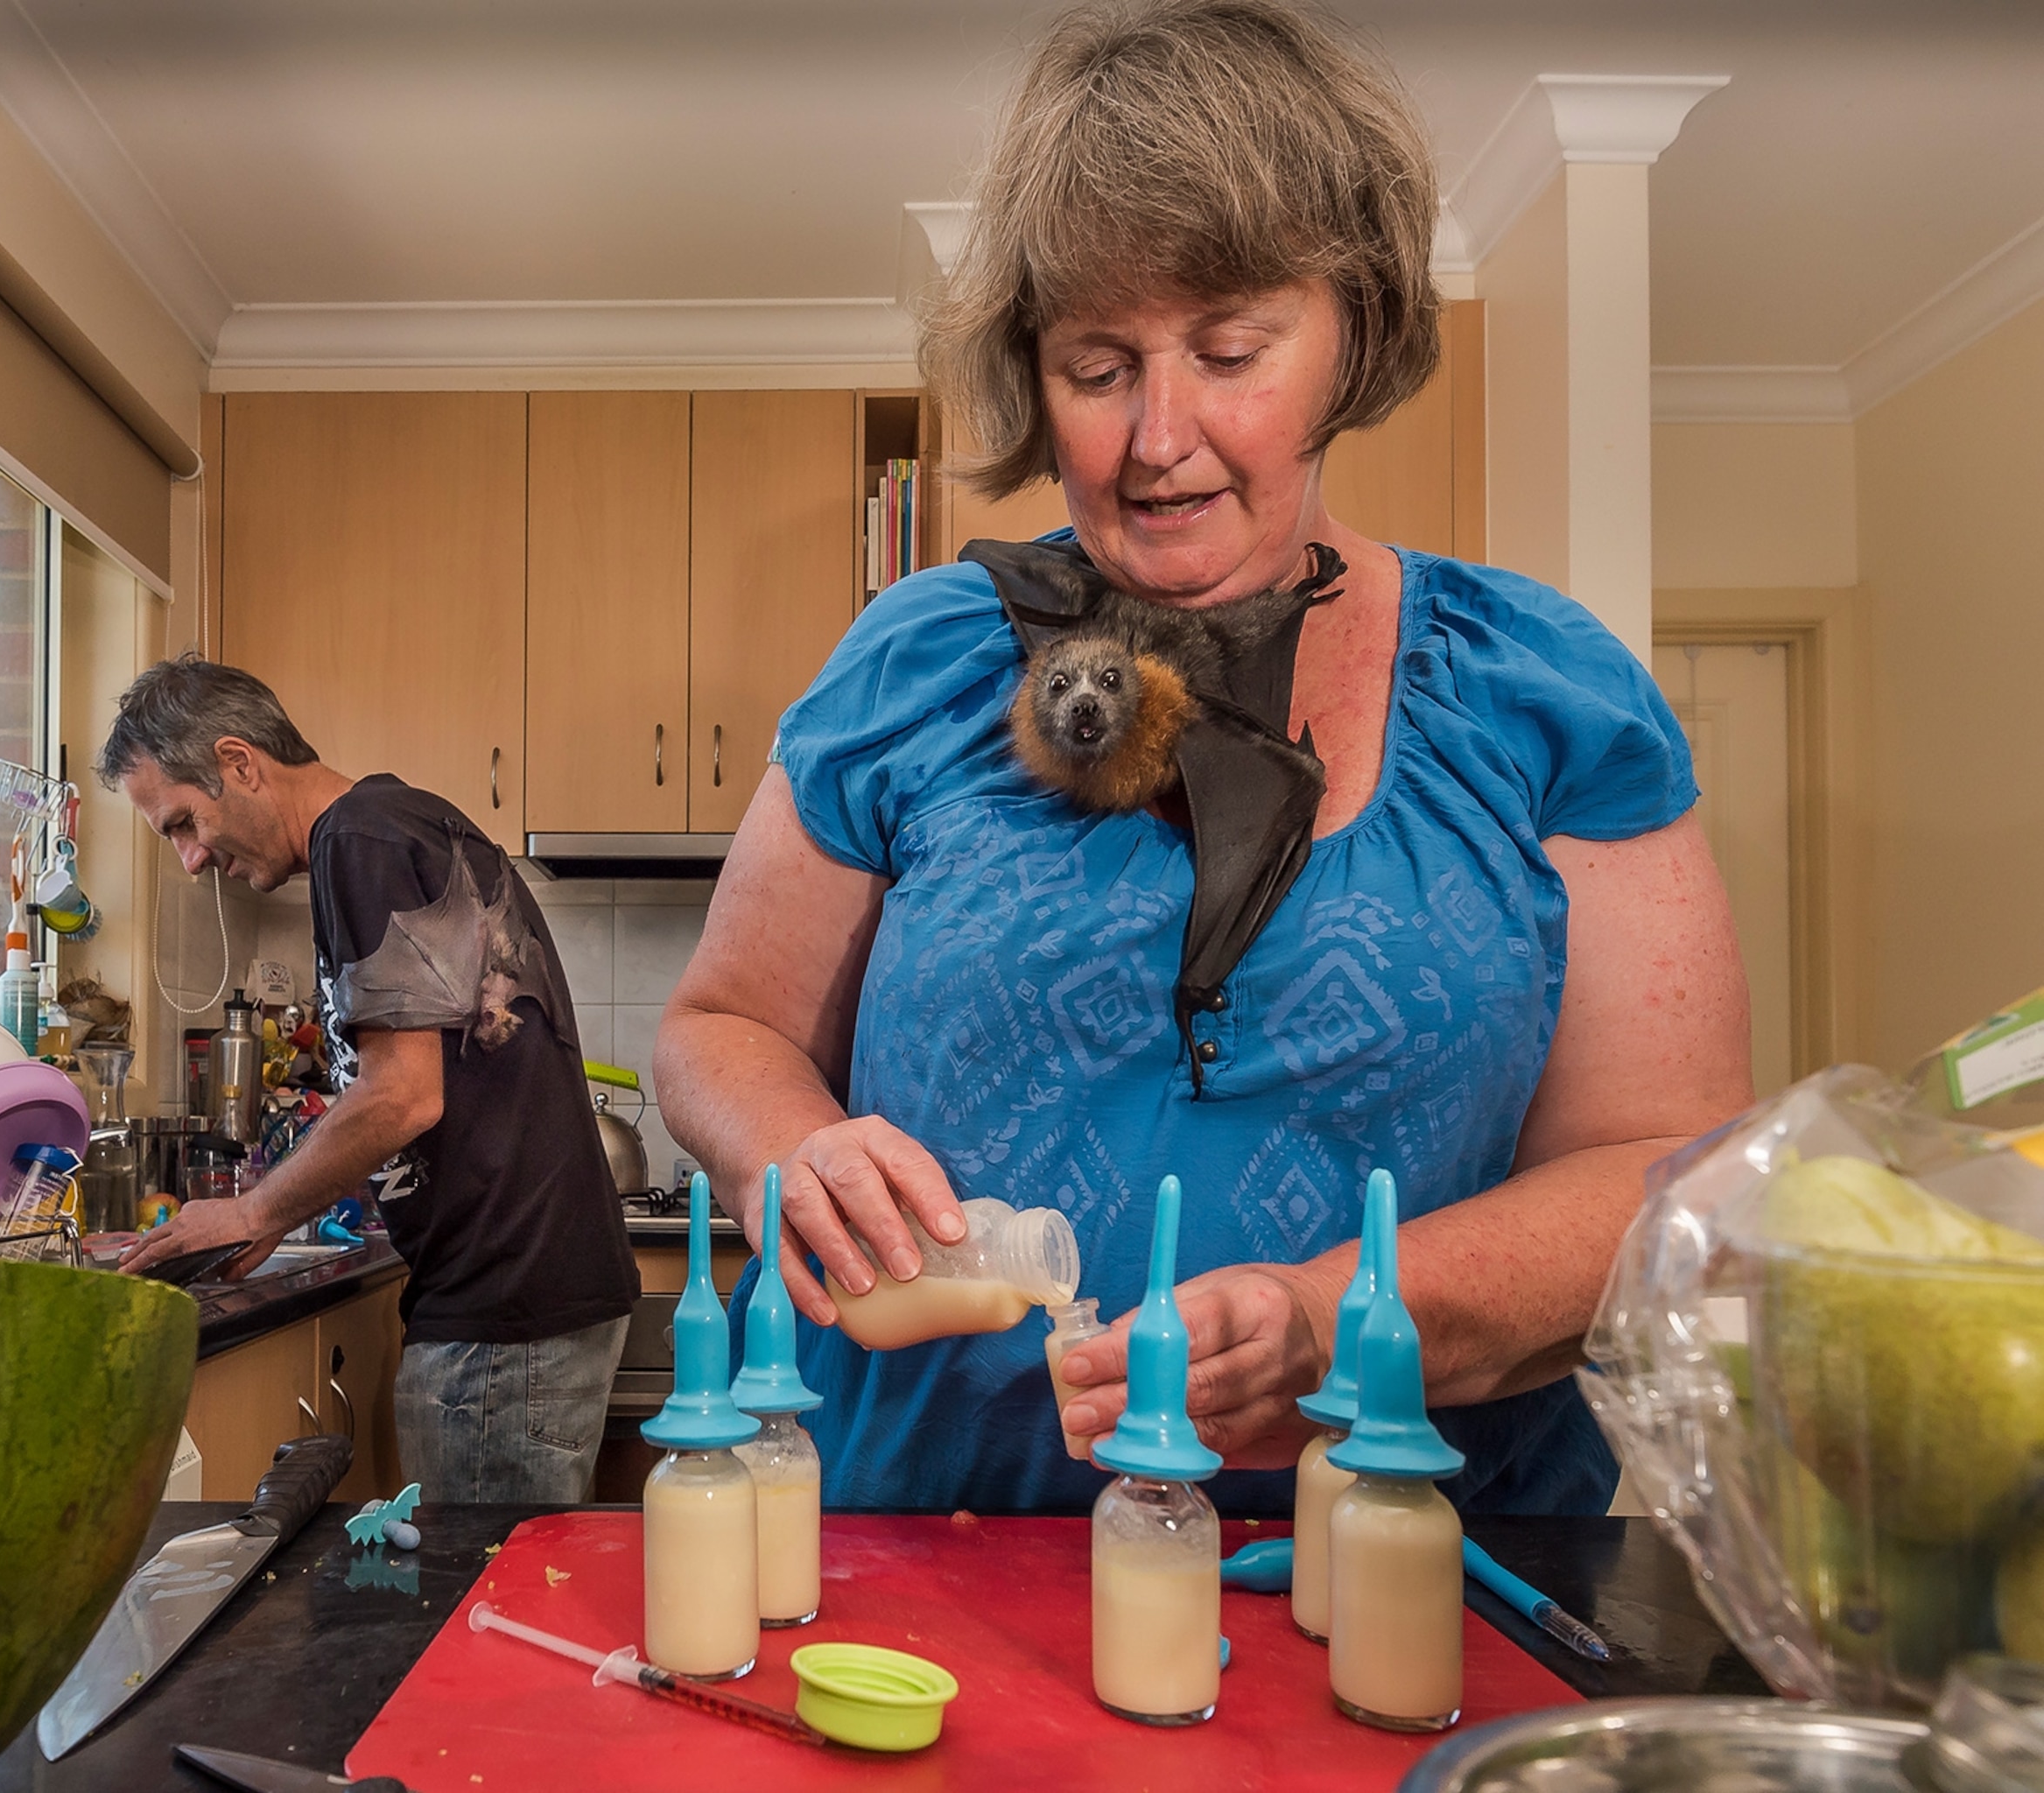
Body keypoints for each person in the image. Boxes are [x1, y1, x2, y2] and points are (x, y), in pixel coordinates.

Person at [653, 0, 1753, 1515]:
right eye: (1097, 368)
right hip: (926, 1566)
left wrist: (1330, 1318)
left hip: (1403, 1588)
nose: (1158, 436)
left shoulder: (1543, 693)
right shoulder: (915, 659)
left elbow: (1659, 1170)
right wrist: (792, 1144)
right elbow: (717, 1024)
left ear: (1350, 331)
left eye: (1229, 350)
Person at [99, 656, 637, 1502]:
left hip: (501, 1311)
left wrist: (254, 1208)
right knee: (499, 1600)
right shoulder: (398, 825)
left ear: (240, 764)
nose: (191, 859)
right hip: (529, 1296)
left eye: (181, 823)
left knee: (469, 1607)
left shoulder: (359, 839)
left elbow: (402, 1094)